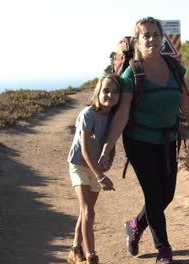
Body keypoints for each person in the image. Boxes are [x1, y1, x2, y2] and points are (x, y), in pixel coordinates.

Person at [98, 17, 189, 264]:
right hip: (139, 142)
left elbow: (187, 105)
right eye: (146, 35)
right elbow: (123, 114)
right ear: (137, 41)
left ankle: (135, 224)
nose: (151, 39)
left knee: (166, 195)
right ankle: (164, 250)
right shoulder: (132, 73)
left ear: (162, 38)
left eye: (155, 34)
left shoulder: (174, 69)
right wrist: (108, 146)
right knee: (153, 195)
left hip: (168, 140)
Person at [67, 74, 121, 264]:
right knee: (88, 209)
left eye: (115, 92)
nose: (110, 95)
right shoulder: (87, 114)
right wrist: (100, 176)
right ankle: (91, 256)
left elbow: (111, 142)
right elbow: (85, 148)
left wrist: (109, 160)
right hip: (79, 165)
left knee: (85, 212)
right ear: (98, 91)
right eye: (106, 90)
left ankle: (75, 249)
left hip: (96, 167)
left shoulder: (114, 117)